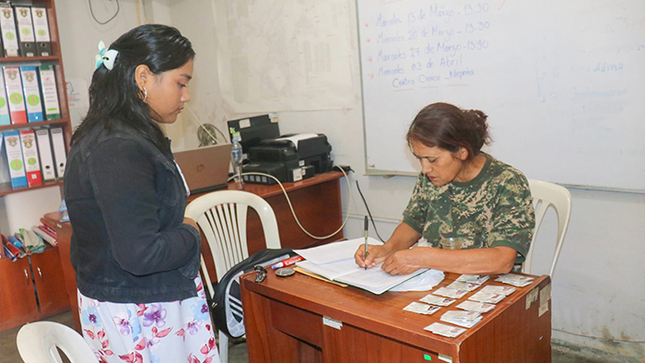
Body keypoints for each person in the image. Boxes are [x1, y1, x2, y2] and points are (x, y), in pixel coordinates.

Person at [64, 24, 219, 363]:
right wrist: (191, 231)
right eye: (181, 82)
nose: (186, 96)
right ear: (144, 77)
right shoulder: (118, 147)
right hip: (139, 312)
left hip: (140, 301)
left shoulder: (124, 134)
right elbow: (141, 254)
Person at [355, 102, 535, 276]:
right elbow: (414, 222)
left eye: (432, 160)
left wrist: (424, 257)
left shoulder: (507, 183)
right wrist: (387, 249)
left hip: (486, 283)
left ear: (462, 152)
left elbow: (502, 260)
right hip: (435, 279)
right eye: (419, 159)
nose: (424, 169)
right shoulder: (432, 176)